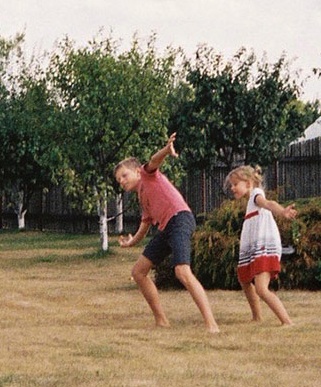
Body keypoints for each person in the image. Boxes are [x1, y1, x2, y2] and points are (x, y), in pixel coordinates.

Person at [115, 132, 220, 334]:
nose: (121, 181)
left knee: (182, 271)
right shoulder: (142, 196)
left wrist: (166, 150)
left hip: (180, 218)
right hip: (166, 227)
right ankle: (161, 321)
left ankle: (211, 324)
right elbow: (145, 224)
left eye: (124, 176)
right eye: (119, 179)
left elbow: (154, 160)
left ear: (137, 172)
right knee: (138, 272)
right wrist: (131, 243)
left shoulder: (148, 174)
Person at [225, 164, 296, 327]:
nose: (232, 188)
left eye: (235, 184)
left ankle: (286, 321)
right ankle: (257, 317)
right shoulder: (250, 201)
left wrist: (282, 211)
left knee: (261, 289)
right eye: (231, 185)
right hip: (254, 248)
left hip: (264, 247)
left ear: (248, 184)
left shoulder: (257, 195)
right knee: (244, 279)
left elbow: (269, 203)